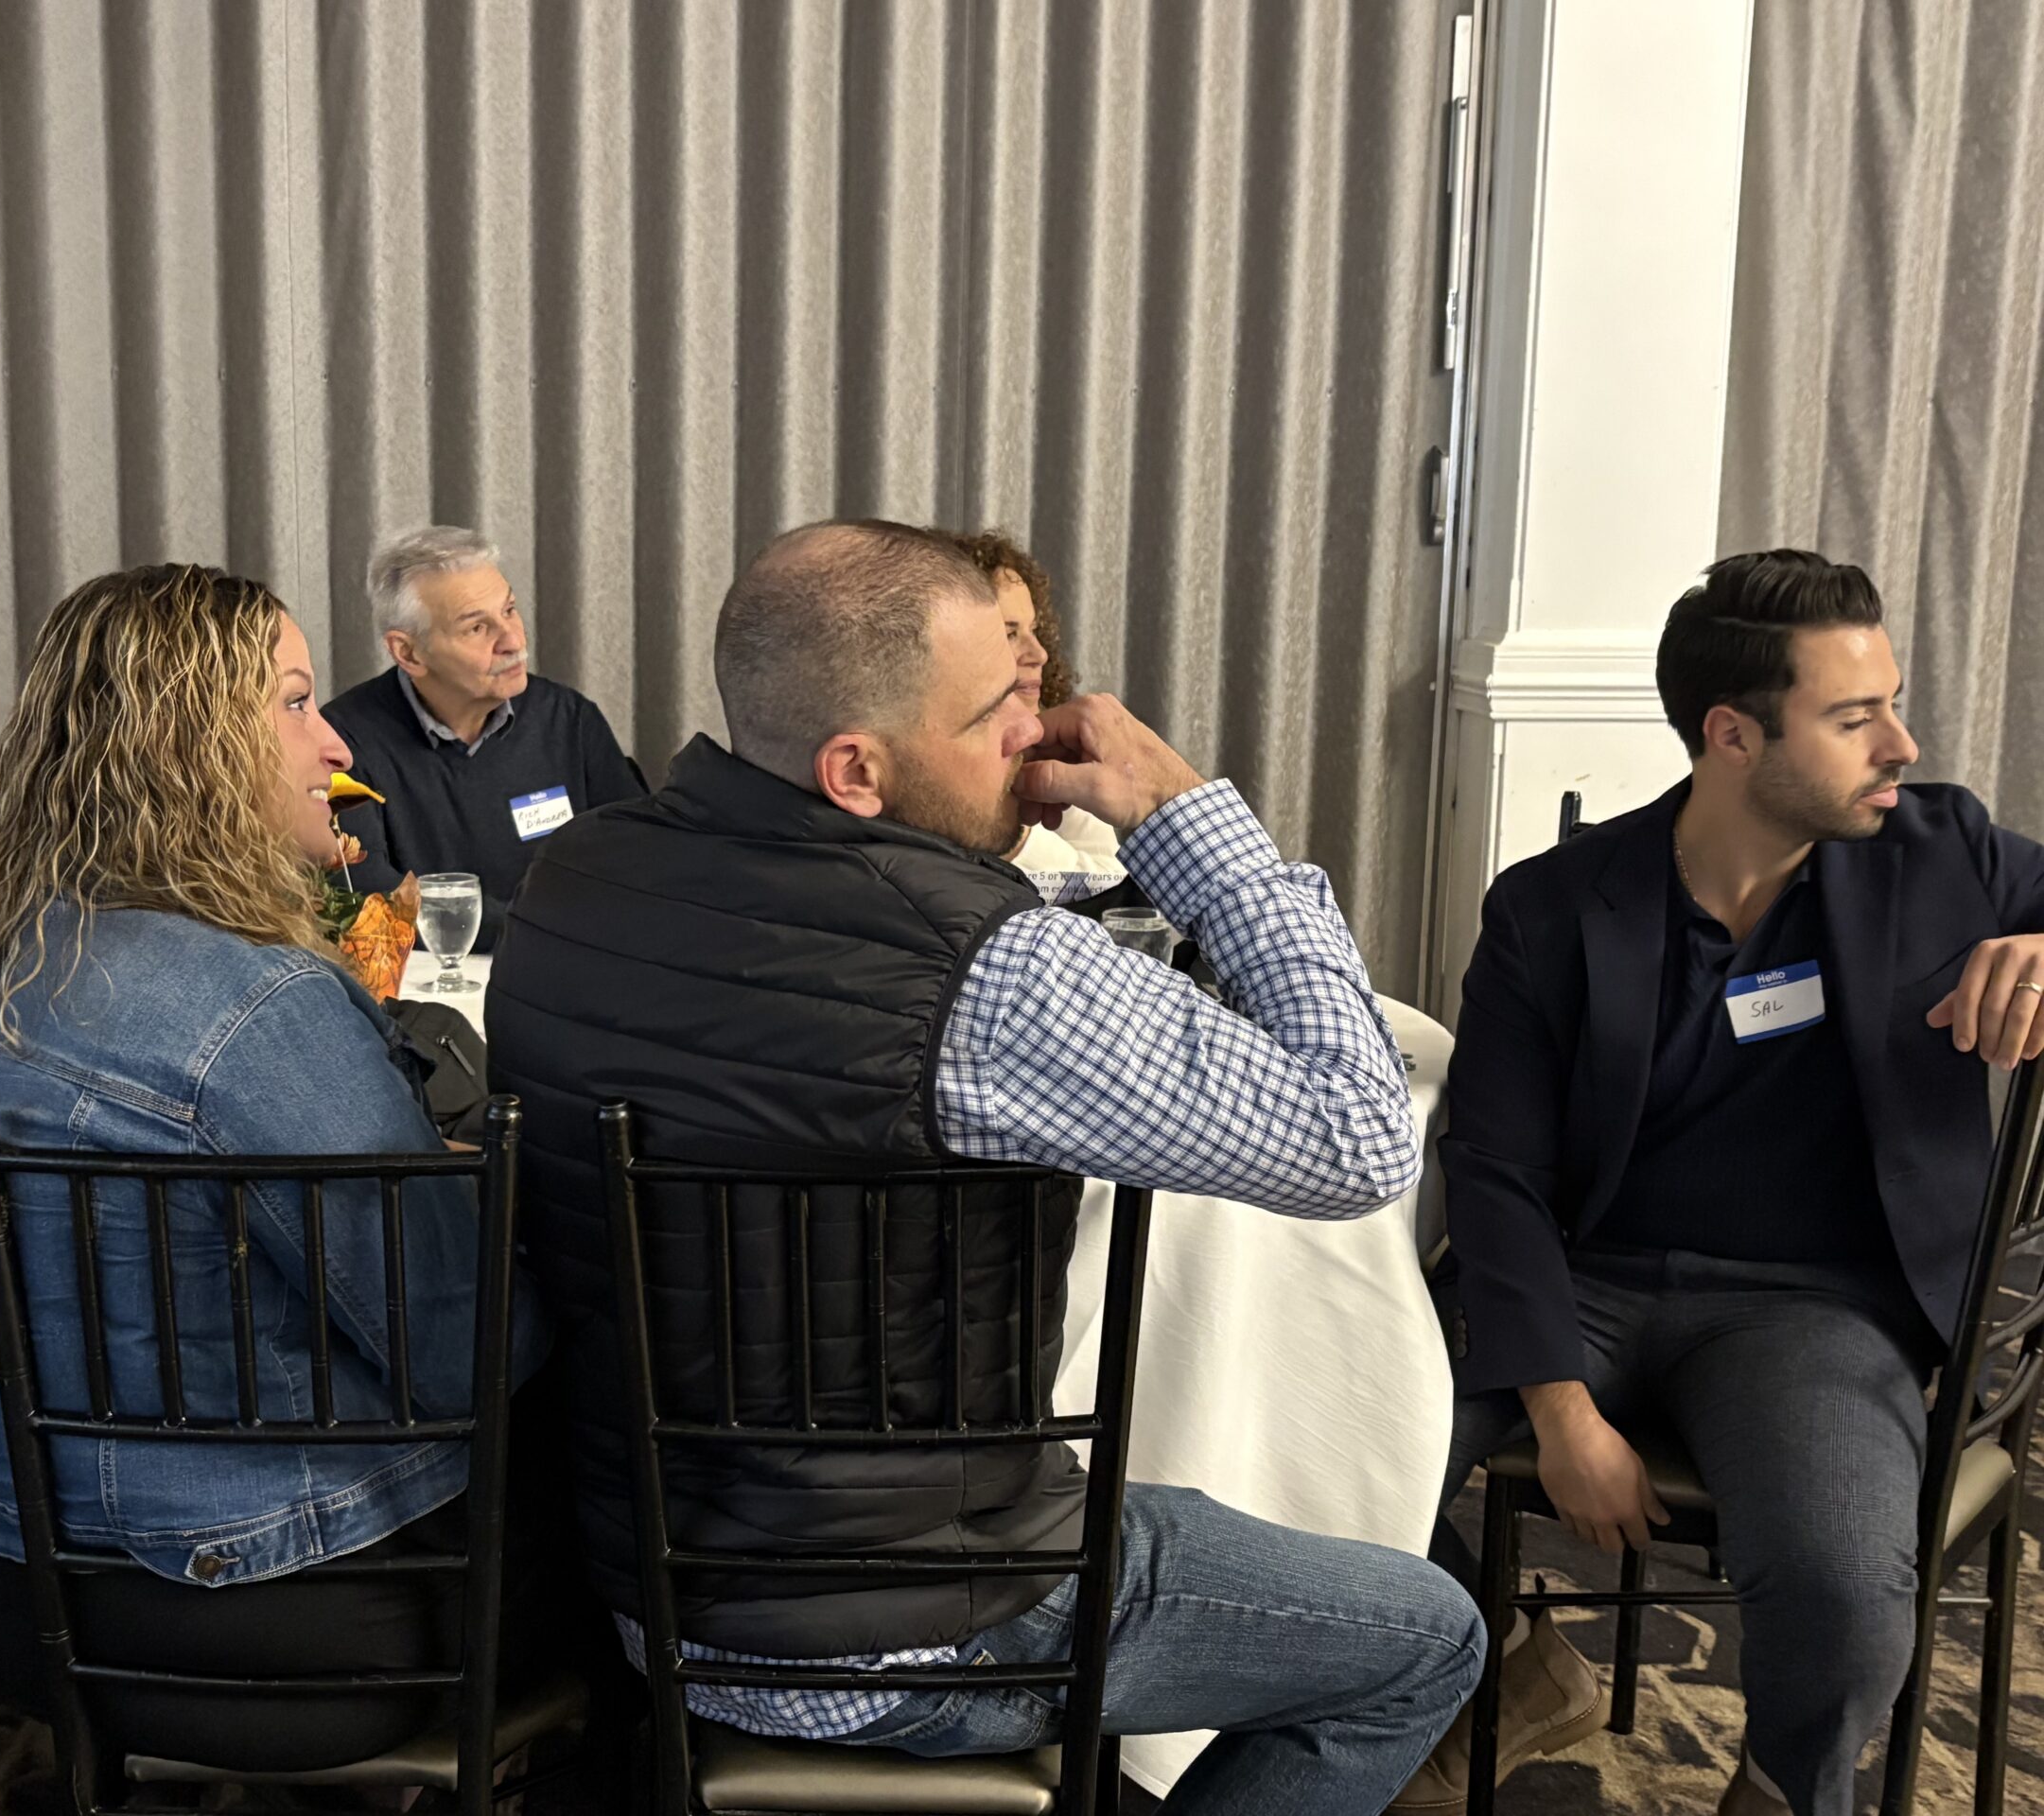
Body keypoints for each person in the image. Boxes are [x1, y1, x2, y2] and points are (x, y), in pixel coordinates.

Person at [488, 520, 1483, 1816]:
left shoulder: (574, 879)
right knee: (1426, 1638)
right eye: (996, 711)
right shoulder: (980, 970)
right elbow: (1357, 1137)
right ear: (856, 770)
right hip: (912, 1624)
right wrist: (1185, 820)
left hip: (646, 1588)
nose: (1037, 730)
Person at [0, 564, 553, 1772]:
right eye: (292, 702)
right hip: (257, 1614)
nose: (334, 740)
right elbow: (459, 1346)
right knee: (607, 1453)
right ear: (191, 750)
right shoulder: (258, 1005)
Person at [1413, 550, 2044, 1816]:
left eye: (1891, 704)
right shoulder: (1552, 906)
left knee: (1843, 1590)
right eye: (1854, 718)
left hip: (1814, 1310)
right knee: (1322, 1444)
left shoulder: (1944, 853)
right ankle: (1505, 1666)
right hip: (1581, 1280)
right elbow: (1494, 1172)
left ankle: (1779, 1787)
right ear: (1732, 735)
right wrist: (1560, 1412)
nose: (1901, 744)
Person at [323, 526, 645, 949]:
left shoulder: (569, 720)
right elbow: (366, 897)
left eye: (509, 610)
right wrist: (539, 931)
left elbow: (638, 858)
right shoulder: (343, 744)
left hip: (569, 965)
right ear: (408, 653)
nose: (512, 640)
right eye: (477, 628)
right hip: (433, 981)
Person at [947, 528, 1124, 880]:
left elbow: (1108, 882)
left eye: (1034, 630)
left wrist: (1014, 838)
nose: (1039, 654)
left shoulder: (1056, 748)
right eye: (1009, 634)